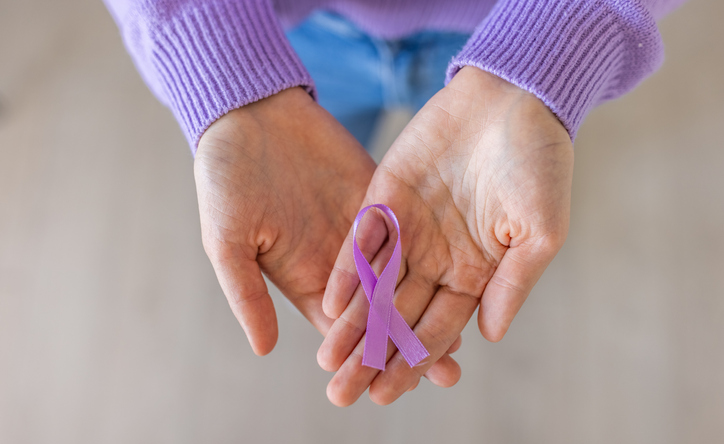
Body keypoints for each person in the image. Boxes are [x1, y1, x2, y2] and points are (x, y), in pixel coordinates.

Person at [104, 0, 686, 406]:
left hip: (518, 31)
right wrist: (221, 68)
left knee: (489, 178)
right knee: (320, 165)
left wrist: (557, 42)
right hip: (275, 39)